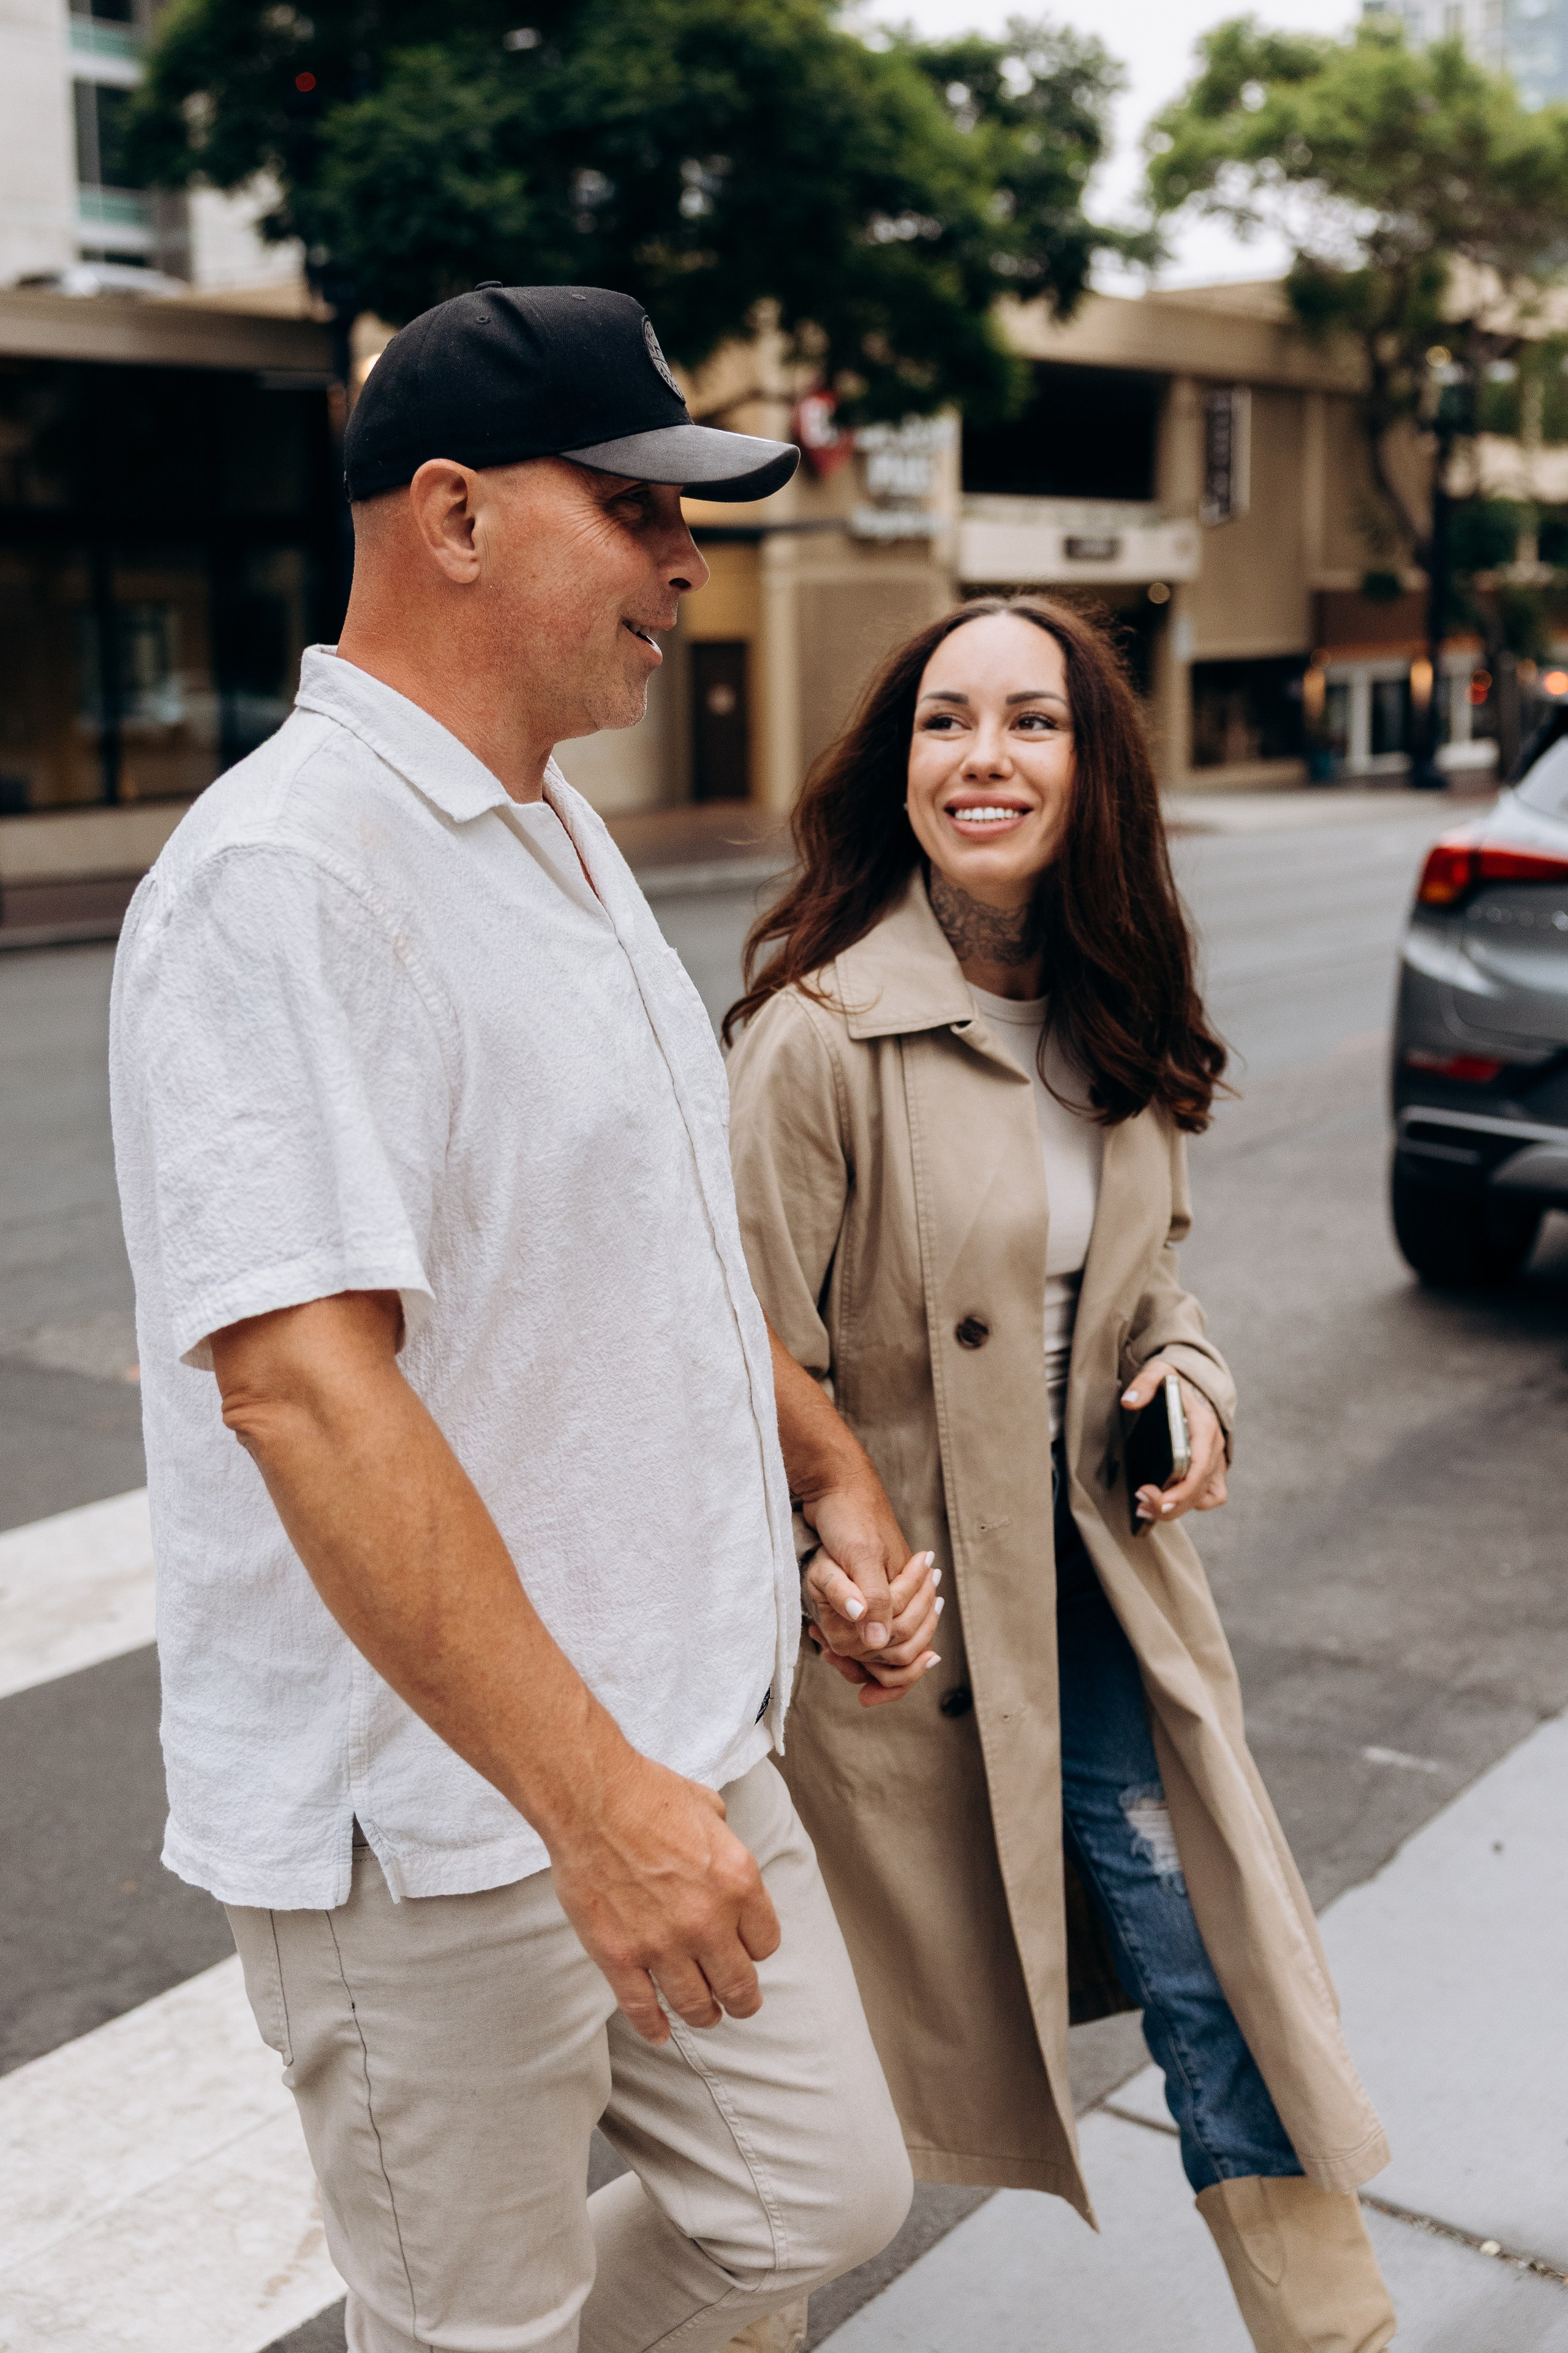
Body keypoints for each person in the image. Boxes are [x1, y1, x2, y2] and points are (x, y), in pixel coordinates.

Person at [108, 284, 916, 2353]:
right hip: (442, 1822)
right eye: (641, 504)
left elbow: (637, 1244)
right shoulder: (282, 879)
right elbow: (302, 1389)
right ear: (451, 516)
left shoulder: (550, 831)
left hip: (670, 1735)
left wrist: (815, 1469)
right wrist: (595, 1805)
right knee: (477, 2323)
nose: (686, 561)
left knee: (815, 2190)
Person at [723, 595, 1398, 2353]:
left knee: (1217, 1966)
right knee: (814, 2050)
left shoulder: (1117, 1021)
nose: (985, 759)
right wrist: (825, 1550)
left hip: (1096, 1585)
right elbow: (732, 1359)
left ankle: (1336, 2333)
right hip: (886, 1634)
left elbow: (1155, 1293)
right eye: (947, 723)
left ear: (1092, 767)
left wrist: (1188, 1382)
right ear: (903, 764)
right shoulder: (818, 1037)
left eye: (1032, 723)